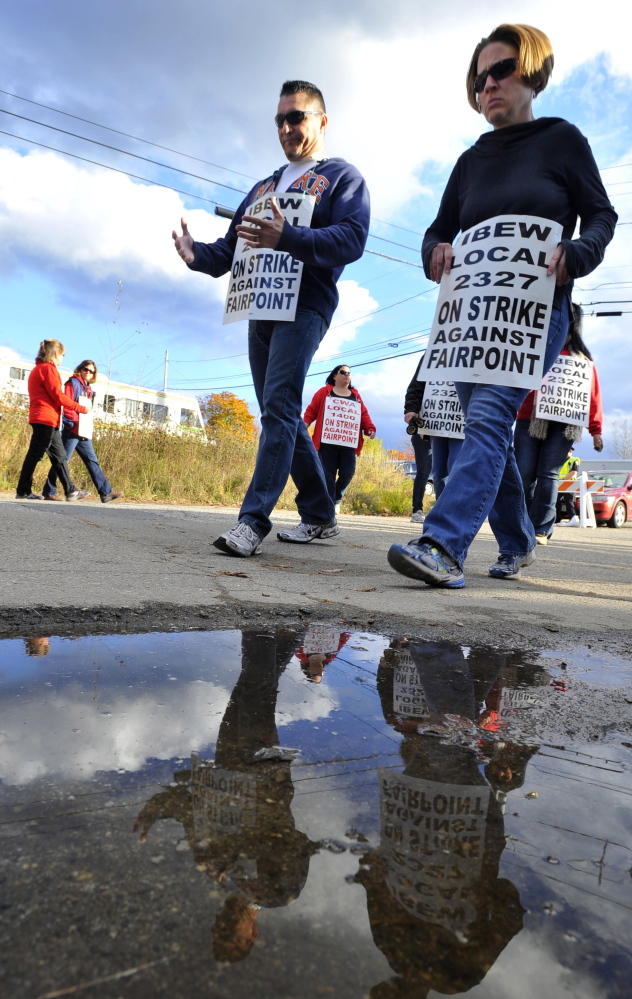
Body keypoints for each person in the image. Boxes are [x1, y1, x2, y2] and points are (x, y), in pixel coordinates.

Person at [388, 23, 616, 589]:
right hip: (470, 318)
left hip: (536, 314)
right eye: (479, 76)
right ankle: (516, 543)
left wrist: (580, 250)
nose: (488, 84)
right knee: (486, 433)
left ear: (532, 72)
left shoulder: (563, 140)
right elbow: (437, 230)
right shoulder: (470, 161)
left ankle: (443, 544)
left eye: (502, 70)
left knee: (489, 418)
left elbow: (601, 215)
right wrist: (434, 251)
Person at [173, 80, 370, 557]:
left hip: (305, 304)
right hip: (258, 304)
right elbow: (228, 249)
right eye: (280, 120)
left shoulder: (343, 177)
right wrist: (196, 254)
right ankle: (321, 514)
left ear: (322, 121)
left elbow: (351, 239)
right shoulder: (264, 186)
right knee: (277, 411)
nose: (286, 127)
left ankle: (252, 521)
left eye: (296, 117)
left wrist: (290, 239)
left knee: (280, 405)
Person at [515, 304, 603, 543]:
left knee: (549, 473)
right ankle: (523, 523)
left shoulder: (582, 360)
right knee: (522, 474)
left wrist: (596, 431)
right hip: (528, 419)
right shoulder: (534, 348)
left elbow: (592, 396)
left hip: (565, 424)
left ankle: (541, 528)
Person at [15, 339, 90, 502]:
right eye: (63, 355)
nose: (63, 358)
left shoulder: (38, 369)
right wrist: (80, 408)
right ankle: (23, 490)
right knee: (35, 455)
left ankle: (70, 490)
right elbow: (58, 396)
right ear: (55, 354)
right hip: (45, 418)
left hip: (46, 419)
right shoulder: (48, 370)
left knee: (60, 456)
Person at [42, 359, 123, 504]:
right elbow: (66, 405)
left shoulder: (88, 388)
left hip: (83, 430)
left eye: (91, 371)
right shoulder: (72, 383)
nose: (88, 372)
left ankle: (106, 493)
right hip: (73, 429)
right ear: (80, 369)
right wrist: (72, 422)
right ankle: (49, 491)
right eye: (86, 369)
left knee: (92, 460)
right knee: (62, 460)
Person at [303, 364, 376, 515]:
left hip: (348, 443)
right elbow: (312, 410)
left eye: (349, 373)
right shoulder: (324, 392)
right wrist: (304, 425)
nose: (346, 375)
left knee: (348, 473)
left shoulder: (355, 395)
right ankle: (329, 506)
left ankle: (335, 499)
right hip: (327, 442)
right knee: (328, 475)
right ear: (334, 375)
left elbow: (363, 414)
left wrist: (370, 428)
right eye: (343, 372)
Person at [403, 358, 432, 523]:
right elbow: (416, 386)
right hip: (425, 426)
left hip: (452, 429)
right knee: (424, 471)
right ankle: (417, 510)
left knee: (448, 471)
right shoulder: (432, 354)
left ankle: (443, 512)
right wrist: (412, 410)